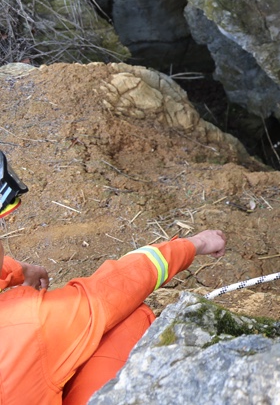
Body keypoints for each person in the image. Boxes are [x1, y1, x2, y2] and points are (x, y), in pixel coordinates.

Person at [0, 150, 227, 404]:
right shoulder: (29, 322)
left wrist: (14, 270)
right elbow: (110, 290)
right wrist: (194, 244)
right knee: (129, 317)